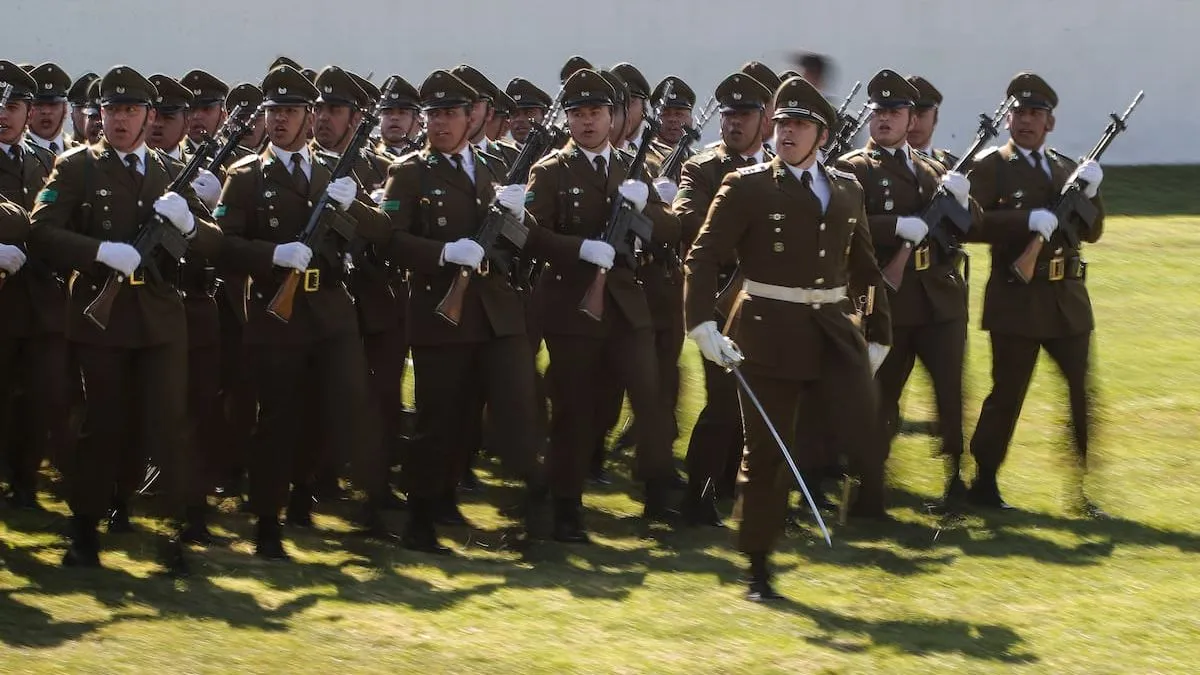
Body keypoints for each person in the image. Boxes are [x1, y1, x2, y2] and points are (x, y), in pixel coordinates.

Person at [684, 76, 891, 601]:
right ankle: (758, 565)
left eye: (799, 125)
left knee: (866, 425)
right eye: (781, 124)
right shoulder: (747, 186)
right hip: (766, 331)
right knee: (767, 452)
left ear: (821, 134)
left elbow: (866, 269)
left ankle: (851, 508)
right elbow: (703, 256)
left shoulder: (846, 188)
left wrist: (876, 331)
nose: (786, 133)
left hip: (830, 330)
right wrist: (702, 322)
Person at [29, 65, 223, 574]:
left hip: (159, 319)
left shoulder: (164, 173)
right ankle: (85, 531)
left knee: (166, 423)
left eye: (131, 110)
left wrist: (190, 223)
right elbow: (41, 229)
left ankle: (172, 532)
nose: (119, 119)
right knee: (103, 424)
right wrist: (100, 251)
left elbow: (210, 245)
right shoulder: (77, 167)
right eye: (112, 110)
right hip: (102, 317)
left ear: (148, 117)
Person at [212, 64, 395, 560]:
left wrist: (353, 204)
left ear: (308, 116)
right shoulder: (246, 176)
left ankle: (313, 494)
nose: (279, 120)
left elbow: (380, 234)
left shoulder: (333, 173)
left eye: (290, 111)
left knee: (343, 406)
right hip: (278, 313)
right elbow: (221, 246)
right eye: (273, 111)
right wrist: (270, 256)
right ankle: (269, 521)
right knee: (278, 418)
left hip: (332, 311)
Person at [376, 69, 551, 552]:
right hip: (441, 314)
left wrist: (519, 216)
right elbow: (388, 239)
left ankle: (535, 505)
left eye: (450, 114)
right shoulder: (409, 172)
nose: (440, 124)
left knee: (513, 411)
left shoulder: (491, 169)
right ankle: (420, 520)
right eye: (433, 115)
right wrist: (443, 252)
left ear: (472, 117)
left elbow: (520, 243)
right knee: (439, 420)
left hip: (496, 311)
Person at [525, 68, 682, 542]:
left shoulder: (634, 172)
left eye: (596, 112)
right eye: (578, 114)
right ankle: (566, 505)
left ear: (614, 117)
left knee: (652, 399)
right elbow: (530, 235)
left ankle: (657, 491)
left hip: (627, 305)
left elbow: (671, 232)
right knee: (576, 408)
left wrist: (646, 210)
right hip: (573, 304)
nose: (587, 122)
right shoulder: (550, 170)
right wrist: (579, 249)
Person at [835, 69, 982, 506]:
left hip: (939, 299)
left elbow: (972, 225)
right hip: (888, 301)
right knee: (879, 397)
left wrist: (961, 198)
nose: (885, 119)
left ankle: (956, 478)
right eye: (878, 111)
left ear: (909, 118)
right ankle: (868, 487)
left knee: (951, 393)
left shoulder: (932, 167)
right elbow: (846, 225)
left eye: (895, 112)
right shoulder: (853, 168)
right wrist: (894, 226)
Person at [966, 72, 1106, 514]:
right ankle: (985, 482)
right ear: (1008, 118)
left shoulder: (1066, 167)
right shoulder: (991, 166)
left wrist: (1092, 192)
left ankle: (1082, 488)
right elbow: (970, 223)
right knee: (1007, 394)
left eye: (1035, 114)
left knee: (1083, 394)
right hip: (1016, 297)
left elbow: (1094, 230)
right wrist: (1024, 220)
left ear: (1051, 122)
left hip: (1067, 300)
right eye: (1019, 112)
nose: (1025, 120)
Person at [674, 71, 772, 526]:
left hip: (774, 302)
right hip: (722, 301)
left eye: (745, 114)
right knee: (722, 406)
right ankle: (699, 494)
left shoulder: (779, 164)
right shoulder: (702, 167)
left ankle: (741, 490)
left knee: (759, 405)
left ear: (765, 118)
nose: (734, 123)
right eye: (729, 114)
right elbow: (690, 219)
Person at [0, 61, 67, 512]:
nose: (4, 113)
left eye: (15, 104)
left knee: (40, 397)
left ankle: (25, 481)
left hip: (42, 301)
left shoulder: (47, 162)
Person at [906, 76, 959, 170]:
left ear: (935, 119)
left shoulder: (953, 166)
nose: (914, 122)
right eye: (908, 115)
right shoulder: (876, 166)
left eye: (921, 114)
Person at [26, 63, 74, 155]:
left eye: (53, 105)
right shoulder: (16, 155)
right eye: (38, 104)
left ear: (65, 110)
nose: (46, 111)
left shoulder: (81, 155)